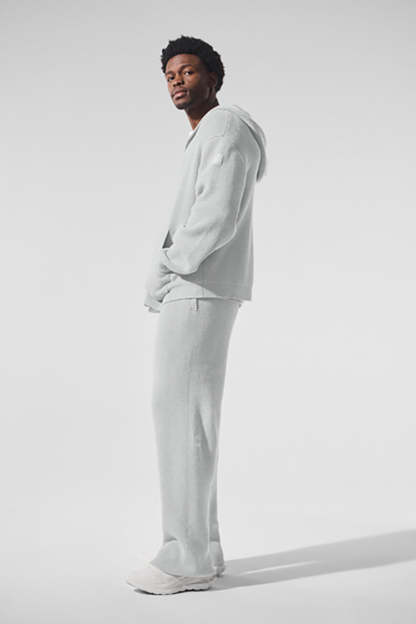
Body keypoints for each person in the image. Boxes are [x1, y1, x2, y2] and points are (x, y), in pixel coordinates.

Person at [126, 35, 267, 595]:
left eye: (187, 71)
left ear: (213, 76)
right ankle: (202, 549)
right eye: (169, 75)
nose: (176, 81)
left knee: (182, 416)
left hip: (199, 286)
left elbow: (216, 214)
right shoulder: (209, 134)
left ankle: (184, 560)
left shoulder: (225, 127)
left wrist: (167, 264)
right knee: (190, 418)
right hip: (199, 286)